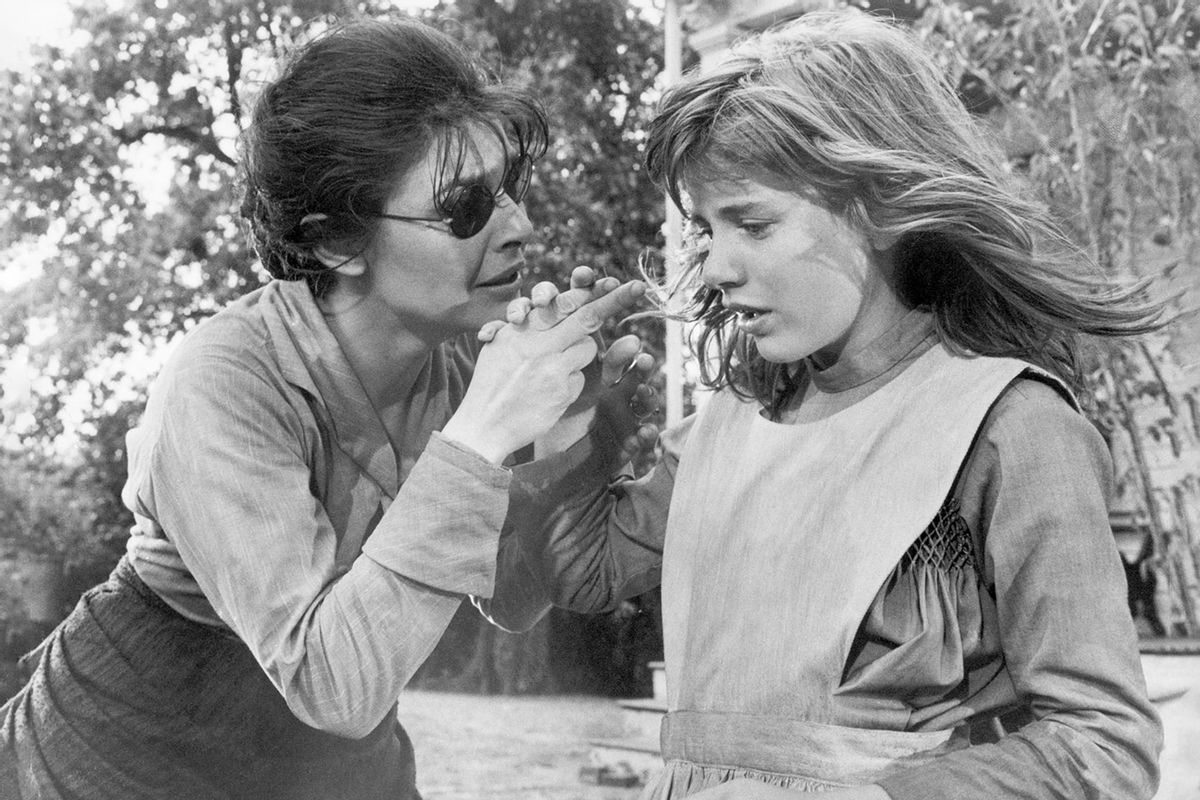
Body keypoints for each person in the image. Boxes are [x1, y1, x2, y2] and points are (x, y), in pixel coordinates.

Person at [488, 10, 1165, 799]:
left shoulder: (1011, 429)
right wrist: (571, 420)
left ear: (879, 206)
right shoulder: (732, 419)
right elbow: (587, 575)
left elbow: (1105, 746)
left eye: (753, 222)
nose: (715, 268)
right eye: (706, 228)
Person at [0, 17, 648, 800]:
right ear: (337, 240)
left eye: (508, 188)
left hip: (331, 762)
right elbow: (330, 682)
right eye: (465, 207)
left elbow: (507, 599)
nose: (520, 227)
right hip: (129, 743)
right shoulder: (225, 377)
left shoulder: (459, 369)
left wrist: (580, 447)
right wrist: (483, 436)